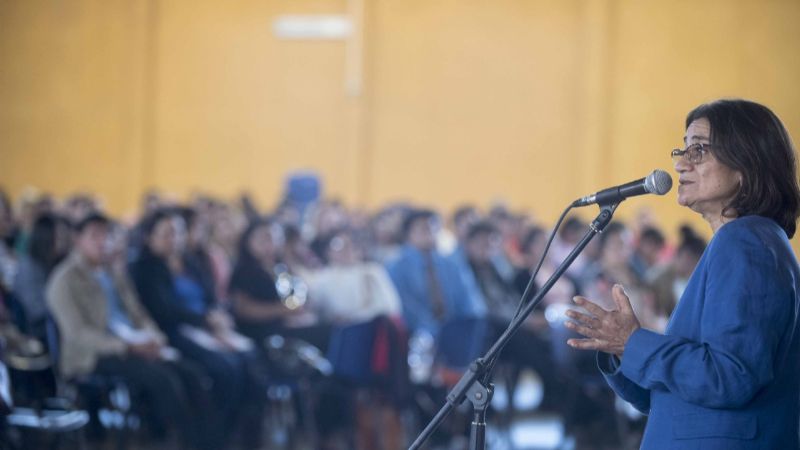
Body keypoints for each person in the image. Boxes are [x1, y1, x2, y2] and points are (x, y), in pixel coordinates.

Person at [565, 99, 800, 449]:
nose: (679, 164)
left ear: (747, 165)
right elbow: (672, 394)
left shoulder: (746, 242)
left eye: (699, 151)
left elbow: (730, 377)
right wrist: (622, 349)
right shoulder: (745, 242)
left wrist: (633, 343)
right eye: (683, 149)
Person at [46, 213, 210, 449]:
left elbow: (138, 313)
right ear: (78, 239)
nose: (103, 242)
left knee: (192, 374)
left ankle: (205, 442)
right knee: (164, 380)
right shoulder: (64, 279)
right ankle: (174, 442)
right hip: (92, 355)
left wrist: (155, 338)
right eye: (95, 236)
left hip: (133, 345)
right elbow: (77, 334)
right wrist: (127, 346)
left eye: (107, 236)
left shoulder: (113, 273)